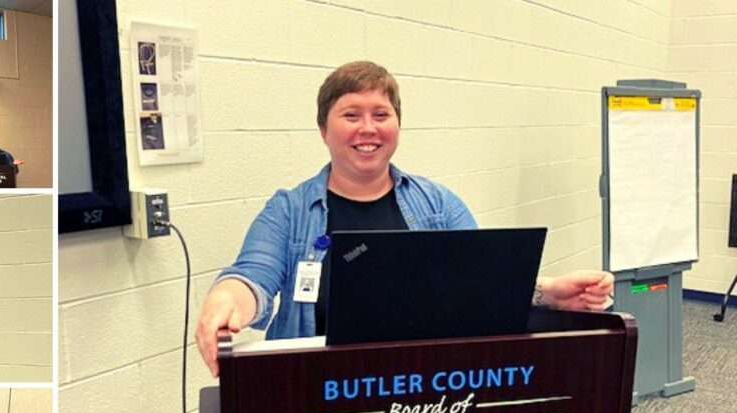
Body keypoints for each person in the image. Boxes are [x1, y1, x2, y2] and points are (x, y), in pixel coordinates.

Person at [195, 61, 615, 377]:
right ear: (324, 128)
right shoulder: (289, 210)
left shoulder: (436, 204)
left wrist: (549, 292)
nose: (368, 128)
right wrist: (225, 301)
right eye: (351, 114)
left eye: (381, 115)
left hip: (420, 386)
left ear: (397, 125)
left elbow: (481, 282)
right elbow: (252, 276)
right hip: (317, 389)